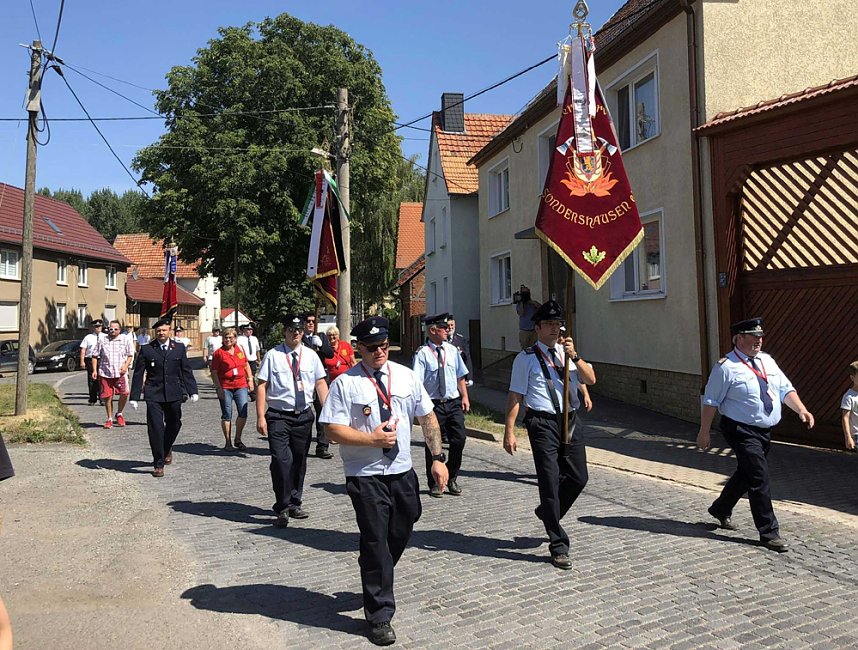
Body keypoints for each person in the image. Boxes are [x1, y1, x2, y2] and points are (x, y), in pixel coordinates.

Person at [319, 316, 448, 646]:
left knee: (403, 526)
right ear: (359, 348)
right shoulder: (345, 384)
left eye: (384, 346)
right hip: (365, 475)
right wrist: (371, 440)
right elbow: (331, 430)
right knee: (376, 539)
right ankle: (379, 615)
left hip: (402, 471)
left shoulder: (405, 376)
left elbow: (427, 417)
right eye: (372, 347)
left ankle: (374, 569)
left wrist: (436, 458)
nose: (380, 352)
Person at [697, 317, 814, 553]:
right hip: (739, 429)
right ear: (738, 339)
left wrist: (801, 409)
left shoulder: (767, 361)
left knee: (747, 473)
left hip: (764, 430)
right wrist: (704, 432)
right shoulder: (725, 367)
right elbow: (710, 402)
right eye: (753, 336)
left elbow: (785, 389)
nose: (758, 340)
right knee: (759, 477)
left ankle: (721, 508)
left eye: (760, 336)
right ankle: (769, 532)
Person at [503, 300, 596, 570]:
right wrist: (510, 430)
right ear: (538, 327)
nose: (556, 329)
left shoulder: (567, 354)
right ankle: (558, 544)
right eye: (550, 324)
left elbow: (589, 379)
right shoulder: (526, 358)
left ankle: (548, 513)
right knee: (549, 481)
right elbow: (515, 395)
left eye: (558, 324)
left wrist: (575, 357)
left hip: (570, 420)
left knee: (579, 477)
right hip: (542, 423)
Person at [256, 313, 328, 528]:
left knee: (299, 461)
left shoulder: (311, 356)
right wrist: (260, 416)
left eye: (299, 330)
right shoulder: (273, 355)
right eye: (290, 329)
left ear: (303, 332)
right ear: (284, 331)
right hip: (278, 415)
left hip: (303, 416)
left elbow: (320, 384)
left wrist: (330, 412)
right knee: (281, 461)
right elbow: (261, 386)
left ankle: (295, 501)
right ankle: (282, 505)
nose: (295, 333)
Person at [130, 319, 199, 477]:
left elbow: (186, 370)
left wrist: (192, 390)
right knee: (156, 428)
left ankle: (167, 447)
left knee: (175, 424)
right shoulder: (147, 349)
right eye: (159, 331)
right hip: (154, 393)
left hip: (174, 393)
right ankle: (158, 463)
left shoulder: (179, 348)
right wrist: (134, 396)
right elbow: (139, 373)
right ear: (155, 332)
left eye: (164, 330)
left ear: (169, 331)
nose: (161, 333)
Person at [413, 313, 470, 498]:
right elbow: (417, 383)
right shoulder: (422, 354)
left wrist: (465, 397)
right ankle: (435, 482)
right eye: (444, 328)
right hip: (433, 404)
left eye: (447, 327)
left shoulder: (452, 350)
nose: (448, 330)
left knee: (459, 439)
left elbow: (460, 375)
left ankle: (451, 477)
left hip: (452, 403)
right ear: (433, 330)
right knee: (433, 443)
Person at [210, 327, 254, 451]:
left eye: (231, 337)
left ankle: (238, 439)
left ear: (235, 338)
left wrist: (250, 379)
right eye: (226, 337)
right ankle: (228, 442)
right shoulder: (219, 353)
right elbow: (214, 372)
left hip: (241, 385)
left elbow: (246, 365)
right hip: (225, 386)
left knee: (243, 412)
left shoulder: (240, 349)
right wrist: (218, 388)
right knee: (227, 414)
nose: (228, 340)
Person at [303, 313, 335, 459]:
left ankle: (322, 446)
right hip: (304, 380)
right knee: (305, 414)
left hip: (320, 379)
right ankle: (302, 444)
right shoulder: (300, 337)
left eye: (313, 321)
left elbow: (329, 354)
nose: (310, 324)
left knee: (323, 412)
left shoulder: (321, 337)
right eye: (308, 321)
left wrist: (322, 345)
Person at [92, 320, 135, 429]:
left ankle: (119, 413)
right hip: (105, 372)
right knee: (107, 396)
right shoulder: (102, 340)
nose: (113, 331)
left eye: (116, 329)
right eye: (111, 329)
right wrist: (94, 370)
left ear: (120, 330)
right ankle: (109, 418)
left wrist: (125, 366)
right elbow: (94, 356)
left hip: (120, 372)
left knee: (125, 393)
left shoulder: (125, 339)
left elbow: (130, 355)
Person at [79, 320, 106, 405]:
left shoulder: (106, 336)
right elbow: (83, 349)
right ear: (93, 327)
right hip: (90, 359)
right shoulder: (88, 337)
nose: (98, 328)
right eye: (96, 327)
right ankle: (92, 398)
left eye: (99, 326)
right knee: (92, 379)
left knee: (102, 379)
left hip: (102, 359)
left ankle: (102, 398)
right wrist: (82, 361)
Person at [446, 316, 472, 385]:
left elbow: (467, 359)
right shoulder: (441, 341)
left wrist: (469, 378)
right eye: (448, 325)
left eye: (452, 325)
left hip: (459, 377)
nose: (450, 327)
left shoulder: (461, 340)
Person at [514, 285, 541, 350]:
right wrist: (522, 302)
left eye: (526, 293)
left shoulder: (533, 304)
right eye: (523, 293)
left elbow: (541, 308)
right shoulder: (519, 305)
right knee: (524, 350)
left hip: (533, 331)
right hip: (524, 332)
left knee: (534, 349)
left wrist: (531, 302)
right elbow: (521, 313)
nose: (525, 295)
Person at [840, 361, 858, 452]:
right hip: (856, 435)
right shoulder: (849, 397)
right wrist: (848, 437)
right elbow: (845, 418)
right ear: (852, 378)